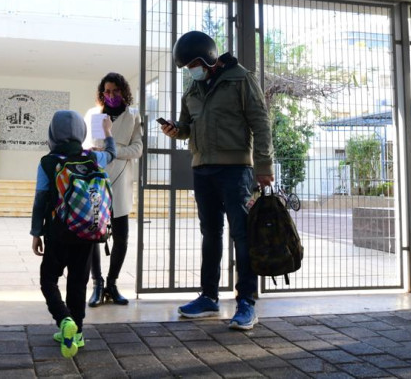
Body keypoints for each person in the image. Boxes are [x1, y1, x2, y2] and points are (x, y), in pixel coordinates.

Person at [160, 31, 274, 331]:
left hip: (236, 171)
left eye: (193, 64)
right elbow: (187, 127)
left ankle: (246, 303)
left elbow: (261, 122)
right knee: (210, 234)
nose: (190, 70)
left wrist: (263, 165)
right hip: (202, 170)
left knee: (242, 235)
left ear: (208, 58)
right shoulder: (193, 90)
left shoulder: (240, 79)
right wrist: (176, 131)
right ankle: (209, 297)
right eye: (186, 67)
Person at [30, 110, 116, 359]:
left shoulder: (48, 162)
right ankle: (77, 332)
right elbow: (113, 154)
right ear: (81, 133)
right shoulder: (93, 158)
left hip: (58, 233)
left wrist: (37, 232)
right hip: (88, 232)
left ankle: (64, 319)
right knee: (78, 282)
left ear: (52, 133)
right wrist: (108, 133)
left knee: (49, 280)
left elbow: (40, 200)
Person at [83, 72, 142, 307]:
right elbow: (89, 146)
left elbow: (137, 149)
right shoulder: (94, 115)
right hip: (96, 182)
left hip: (121, 182)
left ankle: (112, 283)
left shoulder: (133, 116)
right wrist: (114, 149)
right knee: (93, 235)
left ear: (123, 91)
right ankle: (96, 284)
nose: (111, 95)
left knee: (121, 237)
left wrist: (112, 150)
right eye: (107, 91)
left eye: (115, 91)